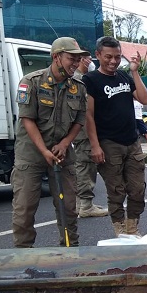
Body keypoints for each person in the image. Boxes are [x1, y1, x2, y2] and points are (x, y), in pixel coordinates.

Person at [11, 37, 89, 248]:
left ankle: (70, 250)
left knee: (68, 208)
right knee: (24, 208)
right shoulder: (31, 82)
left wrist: (65, 144)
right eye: (71, 58)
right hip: (32, 152)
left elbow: (80, 120)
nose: (75, 63)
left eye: (78, 59)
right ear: (56, 57)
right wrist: (44, 151)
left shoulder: (78, 87)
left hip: (62, 152)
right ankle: (23, 254)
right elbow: (27, 119)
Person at [83, 36, 147, 237]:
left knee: (137, 189)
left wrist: (135, 71)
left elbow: (144, 99)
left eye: (117, 57)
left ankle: (132, 228)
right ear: (98, 55)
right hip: (108, 143)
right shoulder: (90, 80)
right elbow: (88, 115)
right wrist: (95, 146)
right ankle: (120, 231)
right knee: (116, 191)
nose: (113, 61)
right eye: (108, 57)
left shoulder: (124, 77)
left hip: (132, 141)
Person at [72, 55, 109, 219]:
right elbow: (86, 111)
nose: (90, 61)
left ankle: (81, 205)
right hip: (85, 132)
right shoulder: (80, 80)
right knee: (86, 169)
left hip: (81, 132)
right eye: (87, 58)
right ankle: (85, 206)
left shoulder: (77, 78)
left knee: (82, 167)